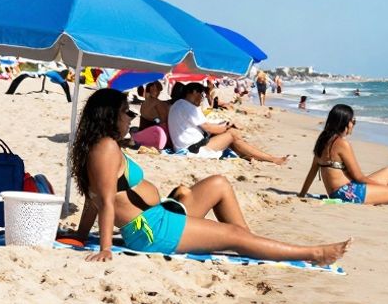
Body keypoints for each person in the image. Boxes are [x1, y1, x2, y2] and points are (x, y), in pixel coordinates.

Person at [66, 88, 349, 264]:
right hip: (154, 230)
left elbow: (93, 198)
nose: (130, 117)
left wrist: (80, 235)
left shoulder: (99, 147)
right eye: (125, 111)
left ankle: (252, 244)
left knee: (218, 184)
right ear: (108, 116)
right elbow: (104, 200)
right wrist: (105, 248)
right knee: (234, 236)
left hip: (159, 216)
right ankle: (313, 254)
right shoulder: (105, 147)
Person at [168, 82, 287, 164]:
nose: (202, 98)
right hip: (193, 149)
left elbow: (203, 125)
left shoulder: (179, 105)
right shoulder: (188, 106)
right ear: (194, 92)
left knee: (231, 135)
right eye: (202, 95)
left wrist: (224, 126)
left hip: (191, 146)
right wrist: (226, 127)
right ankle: (271, 159)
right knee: (232, 134)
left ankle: (254, 155)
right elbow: (208, 128)